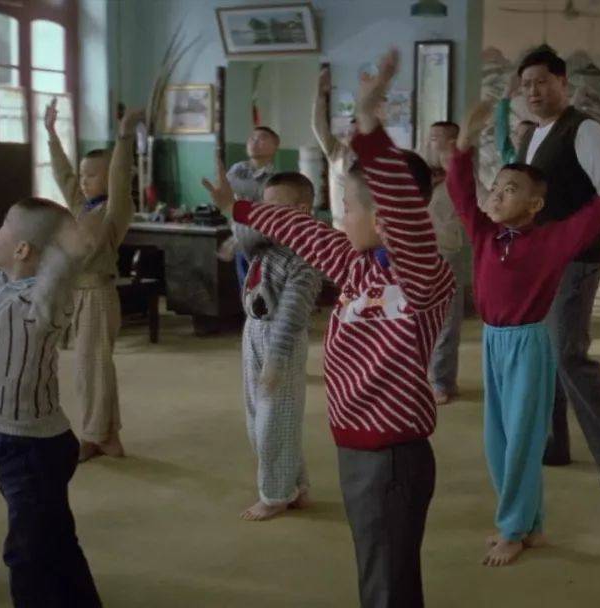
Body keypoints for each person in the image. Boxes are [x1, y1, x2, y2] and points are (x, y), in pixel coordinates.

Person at [203, 49, 453, 608]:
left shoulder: (421, 277)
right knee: (376, 564)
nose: (339, 219)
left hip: (393, 454)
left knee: (387, 577)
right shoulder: (356, 265)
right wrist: (239, 209)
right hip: (355, 444)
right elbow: (303, 230)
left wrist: (369, 127)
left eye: (348, 209)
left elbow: (405, 216)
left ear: (385, 217)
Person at [0, 114, 142, 605]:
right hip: (14, 440)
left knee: (26, 553)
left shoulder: (40, 304)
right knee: (56, 541)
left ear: (24, 249)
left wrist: (69, 250)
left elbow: (55, 277)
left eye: (5, 230)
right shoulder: (0, 282)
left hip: (33, 449)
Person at [450, 100, 600, 566]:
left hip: (527, 346)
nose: (497, 195)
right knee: (498, 440)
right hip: (493, 343)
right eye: (496, 187)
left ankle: (512, 528)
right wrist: (463, 147)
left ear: (535, 205)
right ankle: (531, 523)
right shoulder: (485, 236)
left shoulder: (551, 240)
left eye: (511, 190)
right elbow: (461, 195)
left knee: (522, 441)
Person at [515, 48, 600, 487]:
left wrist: (579, 237)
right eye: (526, 84)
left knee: (568, 352)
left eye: (542, 81)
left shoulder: (585, 130)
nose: (533, 91)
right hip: (538, 259)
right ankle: (555, 441)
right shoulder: (531, 136)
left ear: (563, 82)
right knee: (543, 352)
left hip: (575, 257)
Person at [45, 98, 137, 461]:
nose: (84, 181)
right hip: (77, 294)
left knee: (93, 366)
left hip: (98, 294)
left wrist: (124, 137)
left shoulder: (115, 211)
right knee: (90, 368)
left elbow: (120, 177)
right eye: (83, 175)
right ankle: (104, 433)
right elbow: (64, 175)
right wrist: (51, 134)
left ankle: (95, 435)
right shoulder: (81, 206)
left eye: (92, 175)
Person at [229, 172, 323, 522]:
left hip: (279, 340)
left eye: (276, 209)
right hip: (253, 330)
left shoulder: (307, 255)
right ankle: (296, 484)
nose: (266, 216)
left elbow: (292, 314)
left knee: (274, 422)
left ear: (302, 211)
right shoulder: (266, 242)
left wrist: (276, 360)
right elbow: (243, 233)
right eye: (263, 208)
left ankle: (276, 495)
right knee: (258, 416)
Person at [424, 120, 469, 404]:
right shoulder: (424, 174)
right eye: (430, 136)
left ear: (453, 140)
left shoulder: (462, 174)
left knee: (447, 320)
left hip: (449, 252)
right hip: (421, 252)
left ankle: (442, 381)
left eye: (438, 137)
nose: (432, 141)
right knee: (422, 318)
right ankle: (432, 378)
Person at [312, 67, 356, 231]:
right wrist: (320, 94)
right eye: (351, 131)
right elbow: (318, 125)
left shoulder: (377, 156)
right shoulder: (337, 150)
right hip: (339, 227)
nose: (352, 135)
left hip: (367, 230)